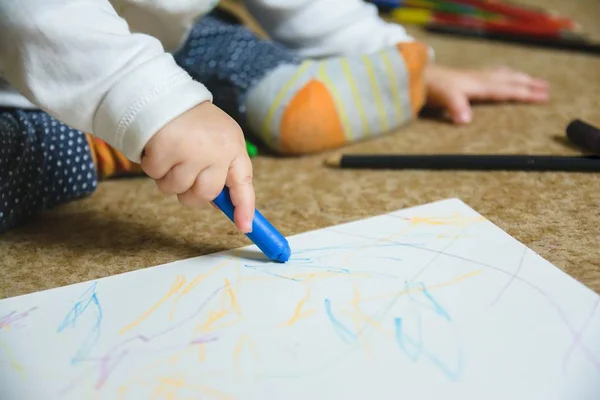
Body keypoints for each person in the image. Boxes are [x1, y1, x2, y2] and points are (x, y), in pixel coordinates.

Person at [0, 0, 549, 234]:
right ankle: (102, 139)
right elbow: (38, 17)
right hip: (20, 65)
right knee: (20, 157)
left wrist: (400, 58)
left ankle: (242, 94)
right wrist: (149, 104)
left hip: (165, 36)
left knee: (213, 41)